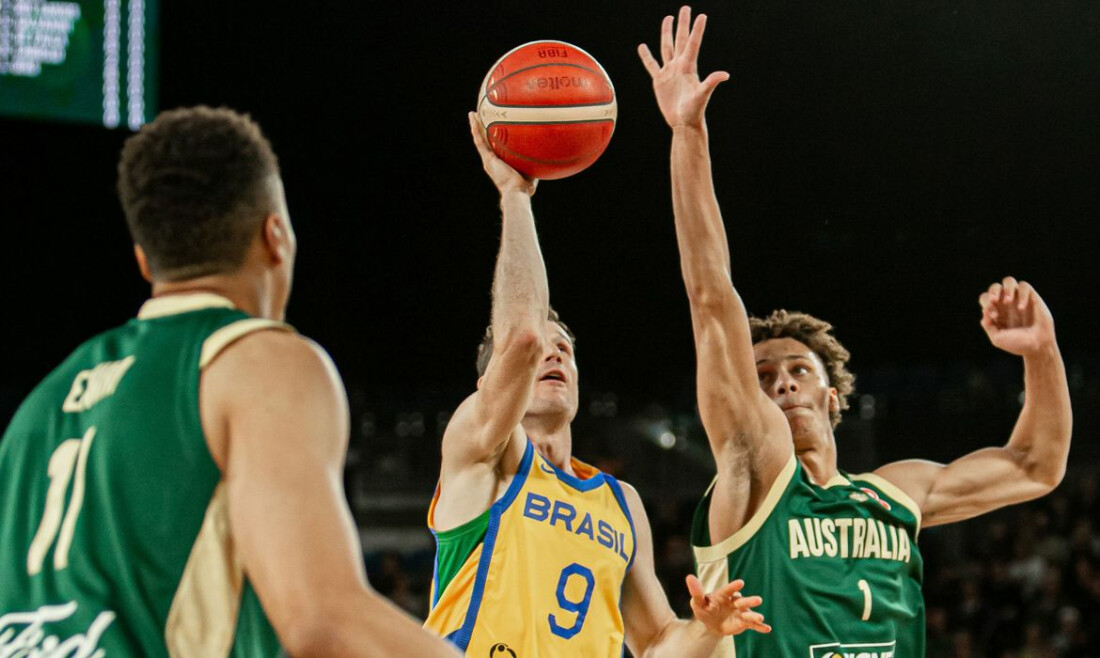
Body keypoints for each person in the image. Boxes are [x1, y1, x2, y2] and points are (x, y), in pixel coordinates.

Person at [639, 7, 1073, 657]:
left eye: (797, 371)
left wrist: (1042, 352)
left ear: (834, 398)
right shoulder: (753, 472)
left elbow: (1035, 466)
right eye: (762, 378)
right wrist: (688, 134)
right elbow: (710, 297)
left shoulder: (896, 494)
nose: (780, 383)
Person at [0, 106, 458, 657]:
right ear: (276, 236)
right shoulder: (256, 362)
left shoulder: (37, 408)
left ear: (146, 261)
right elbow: (321, 619)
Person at [422, 113, 771, 657]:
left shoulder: (619, 501)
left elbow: (656, 641)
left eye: (566, 347)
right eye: (544, 345)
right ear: (490, 380)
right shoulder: (482, 451)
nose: (553, 350)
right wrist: (516, 197)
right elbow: (521, 339)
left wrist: (707, 628)